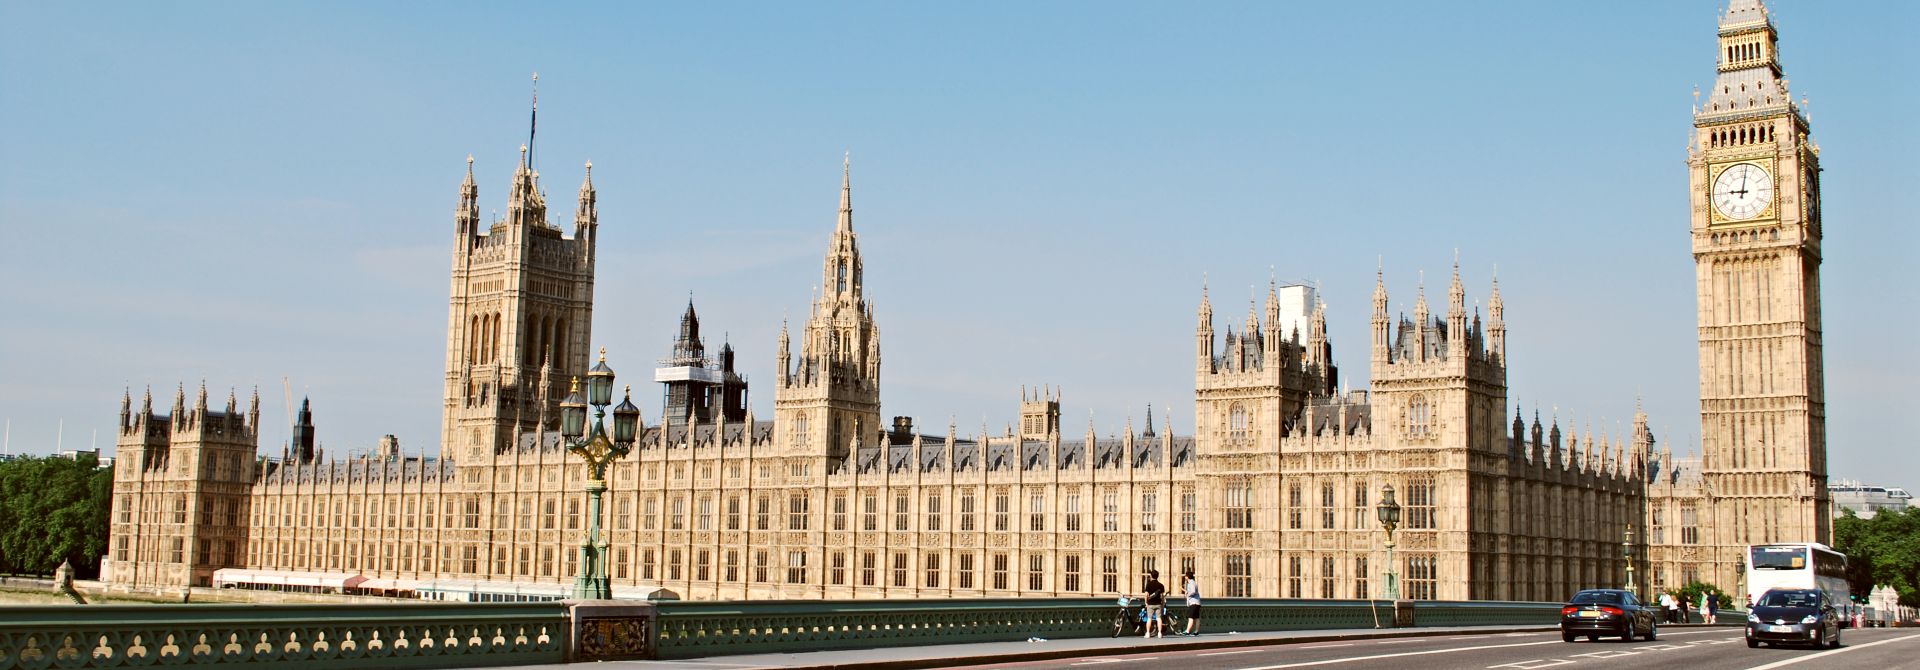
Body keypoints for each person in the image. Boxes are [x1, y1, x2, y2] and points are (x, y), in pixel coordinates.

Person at [1142, 569, 1167, 638]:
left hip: (1150, 604)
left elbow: (1146, 595)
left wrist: (1146, 602)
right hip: (1158, 604)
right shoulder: (1161, 585)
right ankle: (1159, 633)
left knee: (1149, 618)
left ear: (1151, 576)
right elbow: (1162, 596)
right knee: (1159, 618)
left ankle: (1147, 633)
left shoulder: (1148, 584)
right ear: (1157, 576)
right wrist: (1162, 604)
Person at [1180, 570, 1202, 636]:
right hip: (1197, 602)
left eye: (1185, 576)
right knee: (1196, 618)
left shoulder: (1191, 583)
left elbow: (1193, 592)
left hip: (1193, 602)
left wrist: (1187, 595)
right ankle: (1196, 631)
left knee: (1191, 617)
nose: (1185, 577)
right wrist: (1184, 590)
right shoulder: (1193, 582)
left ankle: (1187, 631)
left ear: (1187, 577)